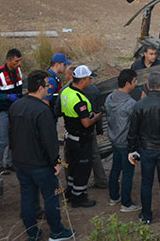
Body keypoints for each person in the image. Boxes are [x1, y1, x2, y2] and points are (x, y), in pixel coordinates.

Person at [9, 70, 75, 241]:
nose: (49, 88)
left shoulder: (15, 107)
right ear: (40, 88)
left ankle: (32, 234)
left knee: (28, 198)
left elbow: (11, 136)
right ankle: (57, 231)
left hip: (21, 162)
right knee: (51, 196)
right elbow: (50, 140)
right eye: (47, 85)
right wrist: (56, 162)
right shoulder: (42, 110)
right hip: (40, 165)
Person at [127, 71, 160, 224]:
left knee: (146, 183)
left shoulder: (139, 105)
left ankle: (146, 215)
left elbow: (132, 130)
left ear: (148, 86)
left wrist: (131, 149)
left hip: (146, 149)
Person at [59, 64, 101, 207]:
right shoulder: (79, 99)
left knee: (72, 167)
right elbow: (86, 123)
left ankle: (70, 191)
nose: (91, 81)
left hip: (70, 137)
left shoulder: (66, 92)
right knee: (83, 169)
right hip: (81, 140)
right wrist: (96, 117)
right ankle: (79, 197)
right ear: (83, 80)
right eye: (90, 78)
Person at [105, 69, 140, 212]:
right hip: (126, 144)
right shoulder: (131, 104)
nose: (136, 83)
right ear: (127, 83)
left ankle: (114, 197)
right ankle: (126, 203)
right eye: (134, 81)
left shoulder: (109, 98)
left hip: (114, 140)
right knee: (127, 173)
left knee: (115, 169)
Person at [82, 78, 107, 189]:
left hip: (75, 128)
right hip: (91, 127)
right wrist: (99, 127)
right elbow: (97, 110)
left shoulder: (67, 91)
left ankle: (75, 183)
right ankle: (101, 180)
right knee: (94, 154)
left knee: (72, 156)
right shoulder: (94, 90)